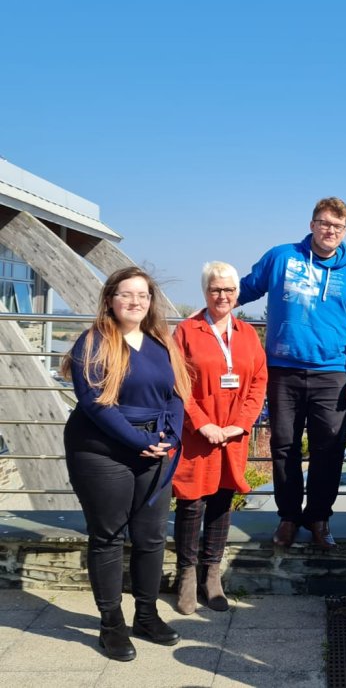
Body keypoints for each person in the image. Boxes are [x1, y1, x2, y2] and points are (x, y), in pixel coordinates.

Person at [62, 267, 190, 662]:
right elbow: (95, 403)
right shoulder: (93, 342)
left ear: (151, 302)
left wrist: (170, 436)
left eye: (143, 295)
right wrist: (139, 441)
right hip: (101, 450)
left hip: (154, 449)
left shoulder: (161, 342)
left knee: (151, 537)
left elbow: (175, 395)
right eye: (126, 294)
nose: (136, 302)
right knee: (109, 537)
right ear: (110, 299)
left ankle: (146, 616)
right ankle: (111, 625)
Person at [237, 197, 346, 549]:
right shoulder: (282, 257)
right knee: (284, 447)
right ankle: (288, 517)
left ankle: (318, 518)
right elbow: (245, 289)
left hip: (332, 374)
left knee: (330, 449)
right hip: (283, 371)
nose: (331, 231)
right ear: (312, 224)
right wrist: (211, 310)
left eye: (338, 226)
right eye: (325, 223)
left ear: (345, 230)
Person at [172, 262, 268, 614]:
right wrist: (201, 424)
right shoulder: (187, 331)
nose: (222, 295)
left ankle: (211, 574)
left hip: (232, 435)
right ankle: (186, 574)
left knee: (222, 500)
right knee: (191, 502)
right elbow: (178, 382)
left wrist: (240, 425)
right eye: (215, 289)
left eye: (228, 289)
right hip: (197, 434)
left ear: (237, 294)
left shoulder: (247, 334)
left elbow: (258, 381)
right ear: (205, 292)